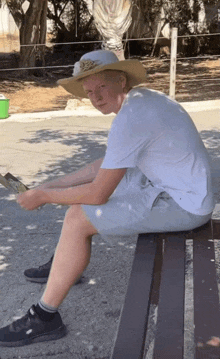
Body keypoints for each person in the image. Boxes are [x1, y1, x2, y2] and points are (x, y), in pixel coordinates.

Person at [0, 50, 215, 349]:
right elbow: (102, 166)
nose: (97, 98)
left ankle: (44, 317)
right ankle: (65, 263)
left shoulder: (131, 117)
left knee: (79, 216)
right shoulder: (142, 101)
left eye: (102, 87)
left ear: (121, 80)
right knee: (82, 206)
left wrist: (45, 196)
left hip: (186, 204)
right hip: (175, 187)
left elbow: (98, 193)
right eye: (89, 92)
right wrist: (49, 185)